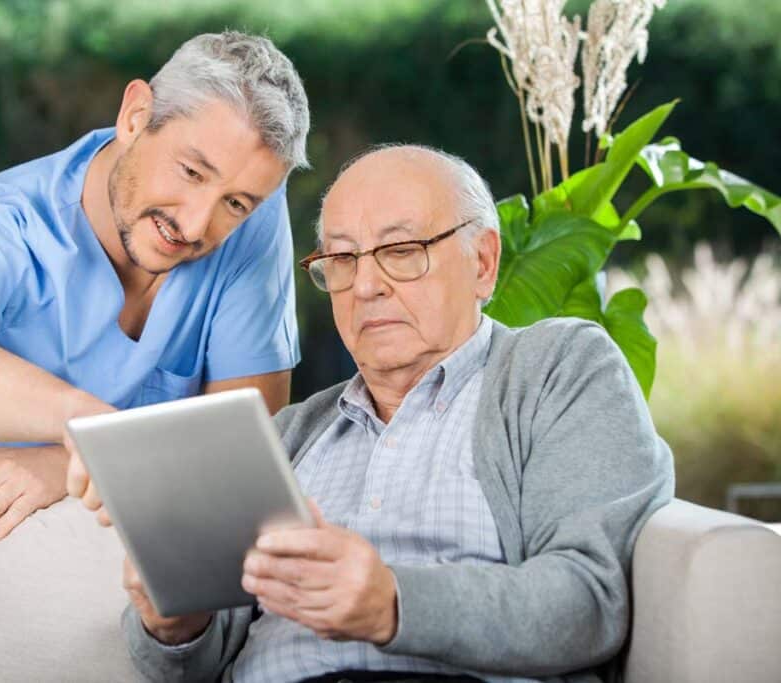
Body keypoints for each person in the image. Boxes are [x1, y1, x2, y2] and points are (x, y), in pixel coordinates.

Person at [80, 145, 674, 682]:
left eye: (401, 251)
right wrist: (176, 626)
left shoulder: (555, 370)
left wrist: (391, 602)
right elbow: (194, 664)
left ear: (483, 262)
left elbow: (589, 603)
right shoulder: (290, 436)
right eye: (341, 259)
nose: (365, 285)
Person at [0, 31, 310, 548]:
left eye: (236, 203)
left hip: (112, 552)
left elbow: (248, 444)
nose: (197, 225)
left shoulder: (249, 215)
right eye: (191, 172)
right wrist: (96, 431)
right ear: (135, 116)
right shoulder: (1, 221)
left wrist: (69, 463)